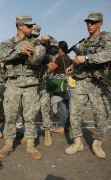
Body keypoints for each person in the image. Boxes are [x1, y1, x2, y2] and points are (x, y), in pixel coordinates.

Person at [0, 15, 47, 160]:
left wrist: (39, 47)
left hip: (31, 84)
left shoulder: (36, 43)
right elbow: (0, 56)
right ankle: (8, 145)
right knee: (10, 115)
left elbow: (43, 57)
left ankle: (31, 146)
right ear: (20, 26)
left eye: (32, 26)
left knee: (30, 116)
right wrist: (19, 51)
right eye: (29, 26)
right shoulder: (7, 43)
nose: (32, 28)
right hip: (12, 83)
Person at [65, 12, 111, 159]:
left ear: (100, 23)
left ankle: (97, 145)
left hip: (98, 83)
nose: (89, 25)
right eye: (87, 22)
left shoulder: (106, 38)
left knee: (101, 115)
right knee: (74, 112)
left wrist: (86, 58)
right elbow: (80, 61)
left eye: (93, 22)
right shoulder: (84, 42)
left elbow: (108, 54)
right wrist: (72, 66)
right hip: (82, 82)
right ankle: (77, 142)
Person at [20, 24, 59, 148]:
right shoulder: (24, 43)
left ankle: (47, 132)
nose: (34, 37)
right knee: (27, 109)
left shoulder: (43, 46)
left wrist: (49, 39)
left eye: (36, 35)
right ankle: (27, 134)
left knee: (44, 107)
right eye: (33, 35)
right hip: (27, 81)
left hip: (41, 80)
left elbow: (55, 49)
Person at [49, 41, 71, 133]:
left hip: (59, 82)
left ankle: (61, 126)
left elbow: (51, 69)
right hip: (66, 81)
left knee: (61, 103)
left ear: (60, 49)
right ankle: (67, 126)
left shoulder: (59, 58)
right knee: (66, 104)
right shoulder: (68, 58)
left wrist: (51, 61)